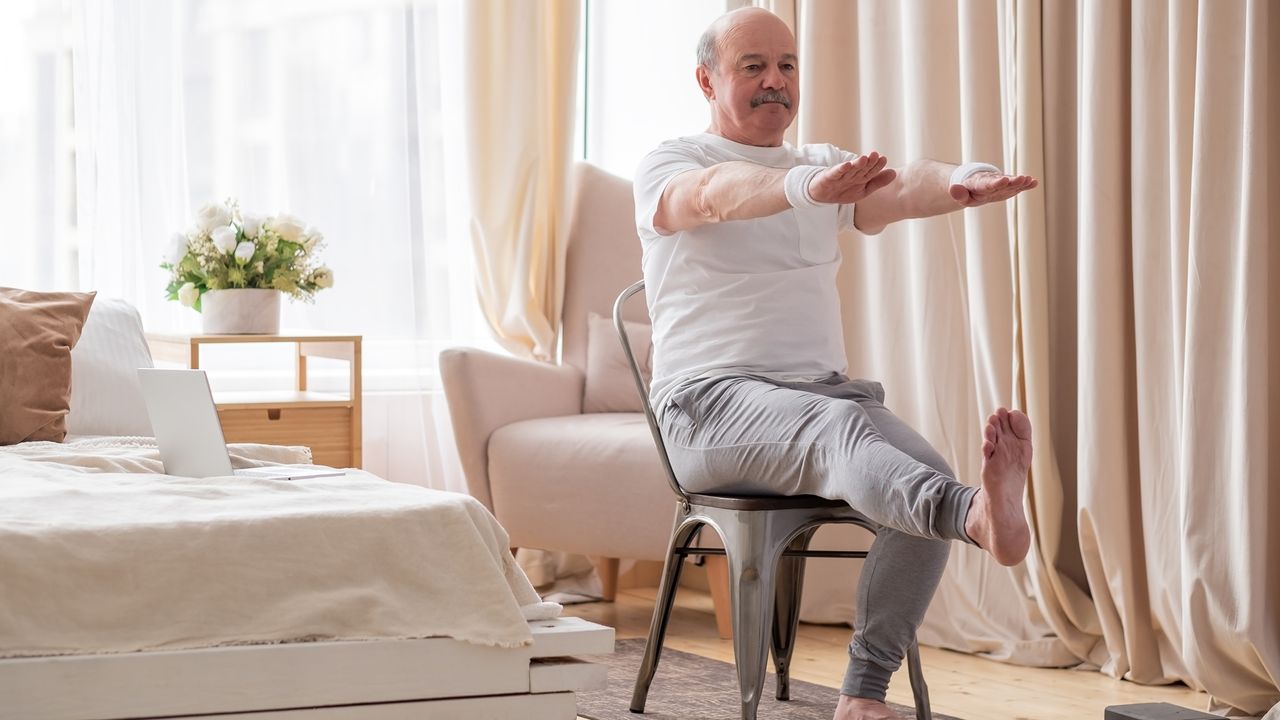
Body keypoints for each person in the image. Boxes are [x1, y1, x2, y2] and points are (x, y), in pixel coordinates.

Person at [632, 8, 1039, 720]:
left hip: (822, 396)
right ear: (707, 79)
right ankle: (973, 513)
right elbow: (712, 198)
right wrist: (804, 191)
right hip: (706, 409)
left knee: (917, 470)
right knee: (846, 437)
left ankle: (861, 696)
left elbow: (902, 182)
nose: (775, 82)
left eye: (787, 66)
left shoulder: (820, 163)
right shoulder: (674, 162)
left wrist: (963, 179)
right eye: (752, 66)